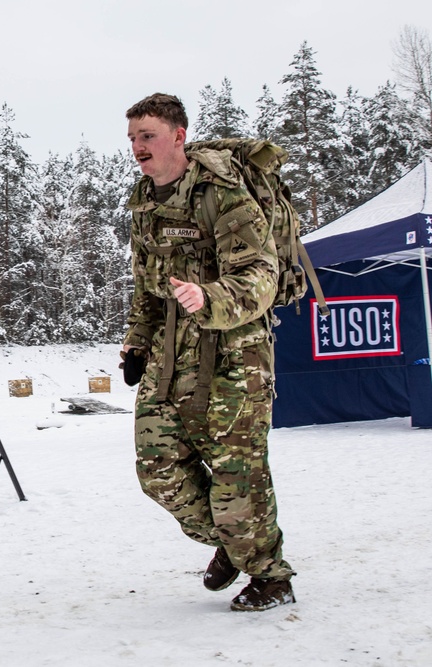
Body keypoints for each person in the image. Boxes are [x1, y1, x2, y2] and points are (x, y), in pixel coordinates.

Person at [120, 93, 296, 612]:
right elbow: (146, 286)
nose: (137, 148)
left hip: (235, 356)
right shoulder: (144, 200)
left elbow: (262, 274)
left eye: (146, 136)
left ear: (178, 135)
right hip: (170, 354)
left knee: (235, 478)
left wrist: (209, 297)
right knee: (157, 469)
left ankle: (270, 575)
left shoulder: (224, 192)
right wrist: (136, 340)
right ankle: (232, 544)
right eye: (131, 138)